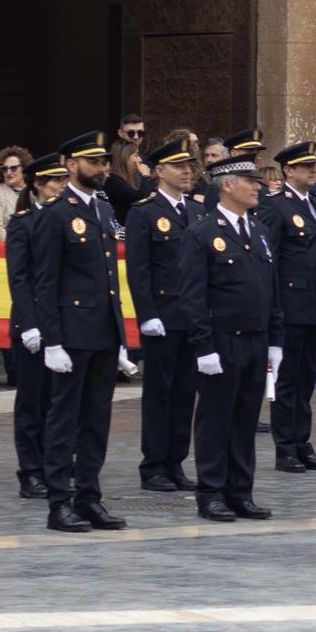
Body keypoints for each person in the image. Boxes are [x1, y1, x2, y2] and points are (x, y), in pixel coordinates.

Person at [29, 131, 133, 533]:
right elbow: (46, 282)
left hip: (103, 333)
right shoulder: (55, 214)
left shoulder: (104, 211)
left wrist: (120, 338)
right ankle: (59, 501)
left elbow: (108, 281)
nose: (103, 168)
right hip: (71, 335)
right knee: (64, 421)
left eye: (105, 161)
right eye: (93, 161)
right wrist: (52, 340)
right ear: (71, 165)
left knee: (96, 419)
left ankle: (89, 496)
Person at [177, 148, 284, 522]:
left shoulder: (258, 230)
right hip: (222, 341)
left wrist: (275, 340)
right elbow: (193, 296)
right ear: (227, 185)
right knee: (215, 419)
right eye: (250, 182)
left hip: (255, 339)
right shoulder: (203, 233)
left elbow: (270, 289)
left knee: (245, 420)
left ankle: (241, 491)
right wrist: (203, 346)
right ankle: (212, 492)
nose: (258, 188)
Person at [125, 138, 203, 491]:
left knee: (185, 392)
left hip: (191, 316)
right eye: (179, 166)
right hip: (162, 316)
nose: (187, 171)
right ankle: (154, 464)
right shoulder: (145, 212)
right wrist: (147, 314)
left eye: (189, 165)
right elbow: (138, 269)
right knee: (160, 392)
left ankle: (175, 461)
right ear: (159, 171)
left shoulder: (197, 211)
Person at [256, 141, 316, 475]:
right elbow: (268, 259)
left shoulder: (315, 204)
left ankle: (302, 442)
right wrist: (273, 307)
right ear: (288, 171)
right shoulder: (276, 206)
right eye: (305, 166)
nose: (312, 170)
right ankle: (285, 447)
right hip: (290, 305)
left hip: (314, 305)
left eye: (313, 165)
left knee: (305, 378)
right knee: (288, 380)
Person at [7, 155, 69, 498]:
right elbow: (20, 279)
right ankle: (30, 471)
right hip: (32, 325)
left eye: (63, 179)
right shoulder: (24, 223)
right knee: (32, 402)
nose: (61, 186)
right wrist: (30, 324)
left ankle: (56, 463)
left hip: (63, 322)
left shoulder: (68, 218)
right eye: (54, 181)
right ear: (37, 185)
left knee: (59, 401)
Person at [0, 146, 31, 241]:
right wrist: (20, 246)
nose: (8, 172)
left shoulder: (35, 191)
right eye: (4, 169)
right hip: (12, 250)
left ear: (24, 169)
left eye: (13, 168)